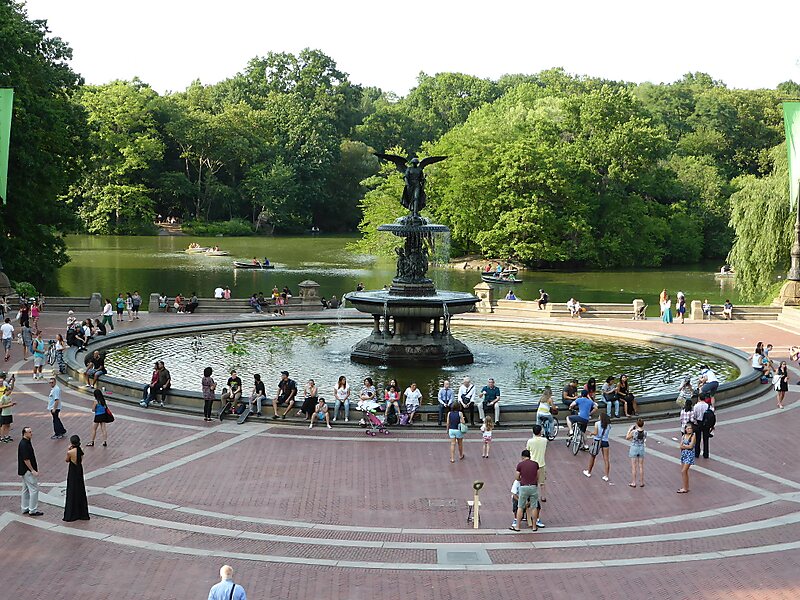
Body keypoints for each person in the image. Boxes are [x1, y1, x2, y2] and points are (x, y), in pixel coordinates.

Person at [510, 449, 540, 532]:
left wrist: (522, 479)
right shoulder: (535, 464)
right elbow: (537, 476)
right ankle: (534, 526)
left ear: (522, 456)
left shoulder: (520, 465)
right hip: (533, 486)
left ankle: (518, 526)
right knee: (534, 507)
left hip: (524, 487)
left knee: (520, 507)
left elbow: (517, 477)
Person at [63, 434, 90, 522]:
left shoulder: (70, 452)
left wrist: (69, 449)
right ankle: (82, 512)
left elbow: (67, 460)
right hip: (79, 470)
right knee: (80, 489)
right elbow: (80, 459)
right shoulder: (81, 450)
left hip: (72, 471)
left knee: (72, 490)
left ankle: (72, 513)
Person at [19, 427, 43, 516]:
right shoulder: (24, 444)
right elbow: (26, 459)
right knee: (34, 489)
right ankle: (32, 509)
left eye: (31, 432)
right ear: (24, 433)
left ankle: (24, 507)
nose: (31, 433)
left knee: (25, 489)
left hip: (23, 470)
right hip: (28, 471)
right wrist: (32, 470)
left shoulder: (24, 442)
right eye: (29, 432)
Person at [526, 423, 549, 515]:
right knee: (542, 482)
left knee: (532, 482)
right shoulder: (544, 440)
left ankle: (532, 496)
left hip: (532, 464)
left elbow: (528, 450)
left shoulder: (530, 441)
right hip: (541, 463)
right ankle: (543, 496)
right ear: (540, 431)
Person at [583, 413, 612, 481]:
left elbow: (596, 433)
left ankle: (589, 472)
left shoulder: (597, 423)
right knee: (606, 459)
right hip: (605, 441)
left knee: (593, 457)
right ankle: (606, 476)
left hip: (597, 441)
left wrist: (591, 433)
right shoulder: (609, 425)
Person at [626, 418, 647, 487]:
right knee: (641, 466)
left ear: (637, 424)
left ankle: (634, 482)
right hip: (641, 448)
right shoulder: (645, 432)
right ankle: (641, 482)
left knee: (634, 466)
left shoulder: (634, 432)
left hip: (634, 448)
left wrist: (630, 429)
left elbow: (627, 437)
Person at [678, 423, 696, 493]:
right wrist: (686, 446)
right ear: (685, 429)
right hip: (684, 454)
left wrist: (685, 446)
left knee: (684, 471)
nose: (689, 430)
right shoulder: (683, 436)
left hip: (689, 455)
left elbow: (691, 446)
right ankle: (685, 486)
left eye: (690, 428)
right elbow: (680, 446)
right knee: (684, 472)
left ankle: (685, 488)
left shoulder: (693, 436)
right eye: (688, 428)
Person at [692, 393, 711, 459]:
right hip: (706, 423)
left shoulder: (696, 406)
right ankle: (706, 454)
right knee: (706, 439)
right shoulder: (707, 405)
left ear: (699, 398)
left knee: (698, 439)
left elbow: (694, 415)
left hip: (698, 422)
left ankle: (697, 453)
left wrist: (695, 422)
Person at [0, 374, 17, 442]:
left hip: (7, 410)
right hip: (2, 406)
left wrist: (12, 381)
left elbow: (11, 388)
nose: (1, 383)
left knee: (6, 423)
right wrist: (9, 404)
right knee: (2, 423)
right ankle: (2, 436)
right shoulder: (3, 397)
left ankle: (6, 436)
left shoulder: (5, 386)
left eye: (1, 381)